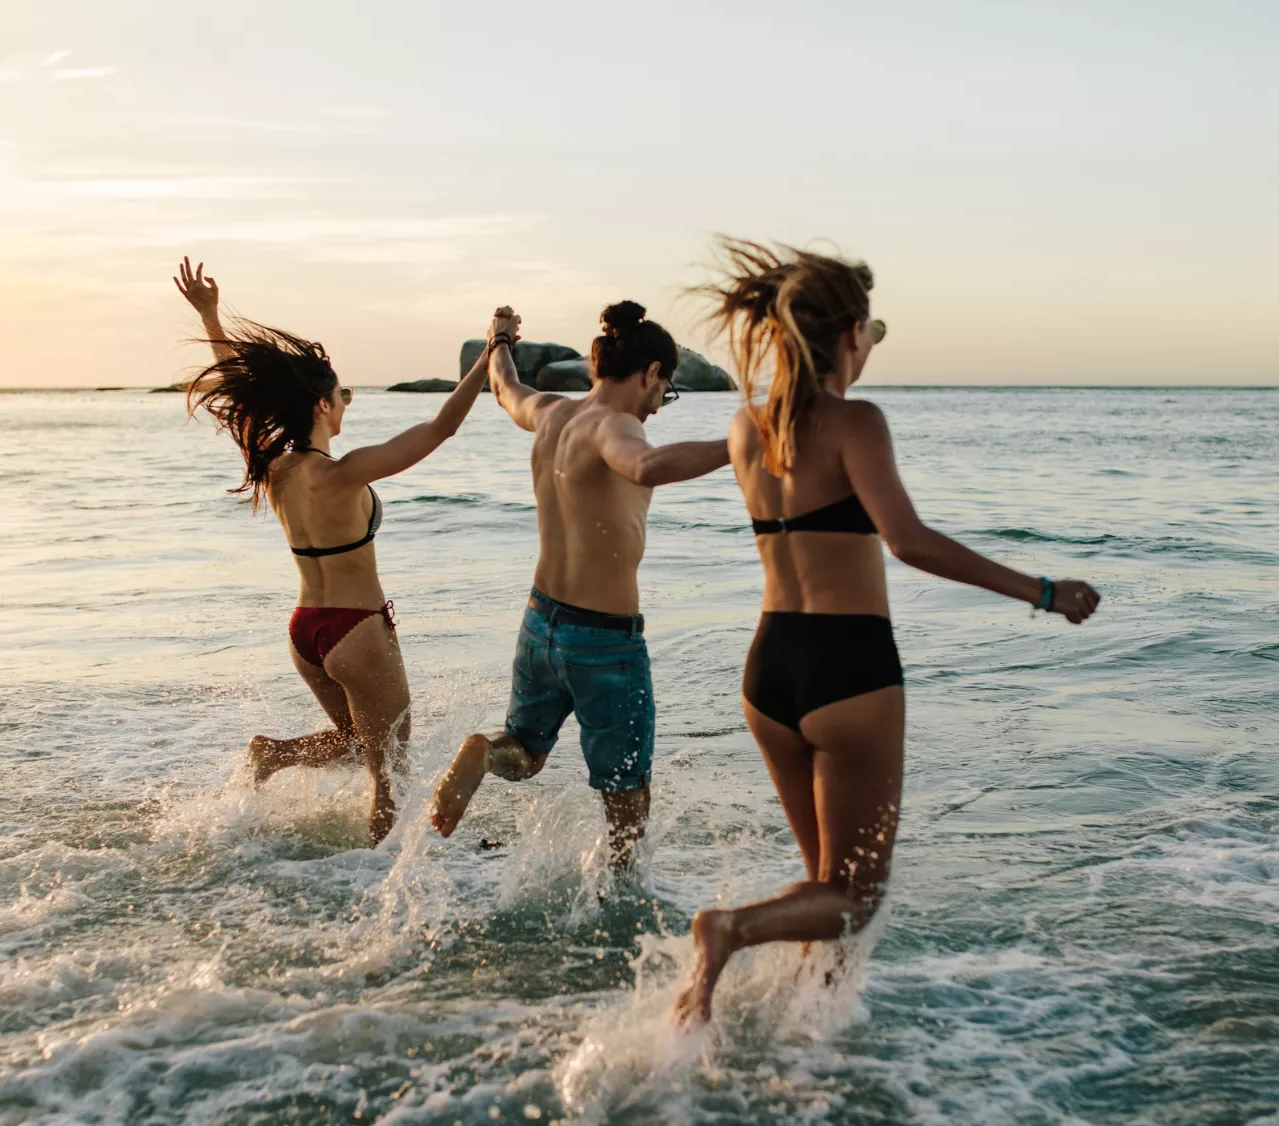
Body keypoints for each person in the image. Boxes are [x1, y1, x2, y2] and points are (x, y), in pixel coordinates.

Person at [672, 240, 1101, 1025]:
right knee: (856, 898)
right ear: (849, 336)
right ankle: (728, 929)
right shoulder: (856, 422)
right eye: (871, 332)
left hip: (768, 673)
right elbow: (906, 541)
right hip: (848, 668)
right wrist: (1042, 591)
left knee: (823, 886)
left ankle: (816, 1034)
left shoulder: (746, 428)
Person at [175, 257, 500, 843]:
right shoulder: (344, 473)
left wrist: (210, 316)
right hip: (357, 630)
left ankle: (273, 755)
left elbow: (238, 398)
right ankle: (374, 889)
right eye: (342, 394)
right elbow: (441, 427)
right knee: (389, 777)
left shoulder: (273, 468)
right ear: (323, 406)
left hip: (307, 631)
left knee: (356, 745)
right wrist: (489, 352)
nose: (347, 400)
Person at [428, 301, 731, 868]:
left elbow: (504, 387)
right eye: (664, 391)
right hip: (604, 641)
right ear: (650, 373)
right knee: (626, 794)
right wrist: (742, 445)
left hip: (540, 623)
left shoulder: (550, 412)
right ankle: (621, 893)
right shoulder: (618, 426)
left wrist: (499, 340)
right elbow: (644, 466)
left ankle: (485, 754)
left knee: (524, 752)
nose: (659, 406)